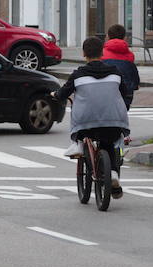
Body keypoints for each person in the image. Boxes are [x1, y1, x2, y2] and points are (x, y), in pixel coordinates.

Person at [54, 35, 130, 196]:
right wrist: (124, 108)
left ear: (84, 54)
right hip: (114, 120)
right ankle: (113, 173)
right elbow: (126, 93)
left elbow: (63, 94)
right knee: (110, 143)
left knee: (81, 127)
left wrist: (55, 95)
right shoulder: (115, 72)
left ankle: (79, 146)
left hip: (86, 124)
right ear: (102, 52)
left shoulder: (78, 75)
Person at [101, 24, 140, 109]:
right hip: (125, 94)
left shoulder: (102, 53)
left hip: (106, 93)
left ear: (108, 36)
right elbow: (133, 75)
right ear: (124, 37)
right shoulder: (130, 55)